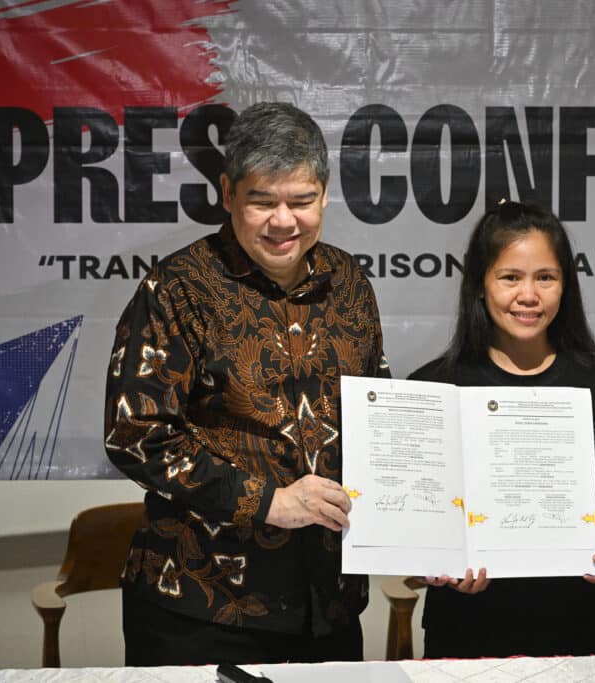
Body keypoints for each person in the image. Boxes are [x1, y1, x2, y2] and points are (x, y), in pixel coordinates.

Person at [104, 102, 389, 665]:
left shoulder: (350, 282)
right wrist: (268, 502)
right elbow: (136, 434)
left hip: (327, 607)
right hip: (203, 606)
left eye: (301, 201)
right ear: (228, 192)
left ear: (325, 194)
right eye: (263, 201)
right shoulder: (177, 288)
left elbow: (378, 407)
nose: (283, 221)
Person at [409, 200, 595, 658]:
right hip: (465, 630)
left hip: (579, 628)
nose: (529, 295)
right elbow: (414, 514)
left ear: (566, 286)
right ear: (480, 284)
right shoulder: (433, 388)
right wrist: (434, 565)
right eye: (510, 277)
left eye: (546, 277)